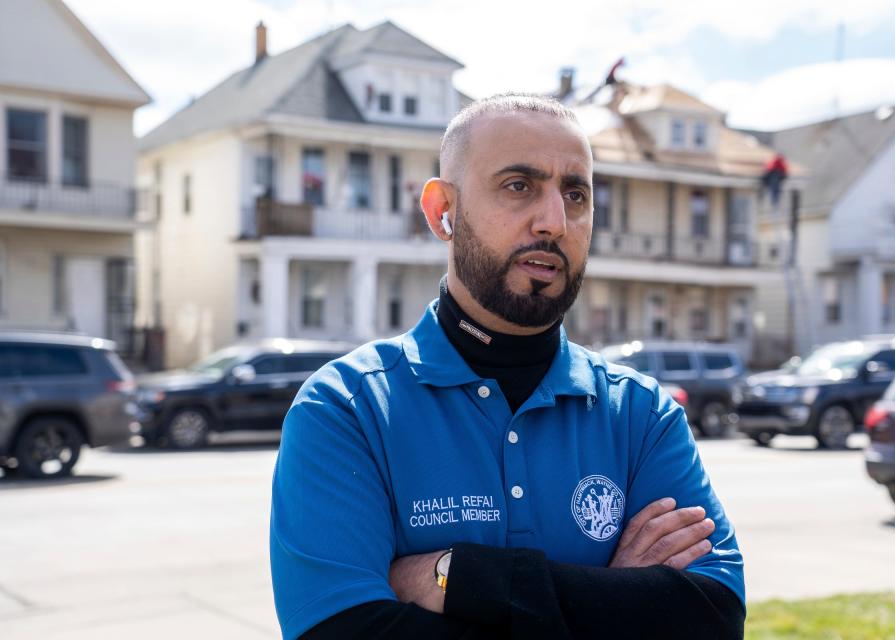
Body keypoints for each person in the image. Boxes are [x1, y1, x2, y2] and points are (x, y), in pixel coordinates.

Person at [271, 94, 745, 639]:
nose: (554, 221)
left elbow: (712, 617)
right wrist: (613, 598)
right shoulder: (347, 409)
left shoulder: (641, 414)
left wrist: (463, 577)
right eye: (519, 186)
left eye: (576, 194)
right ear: (440, 211)